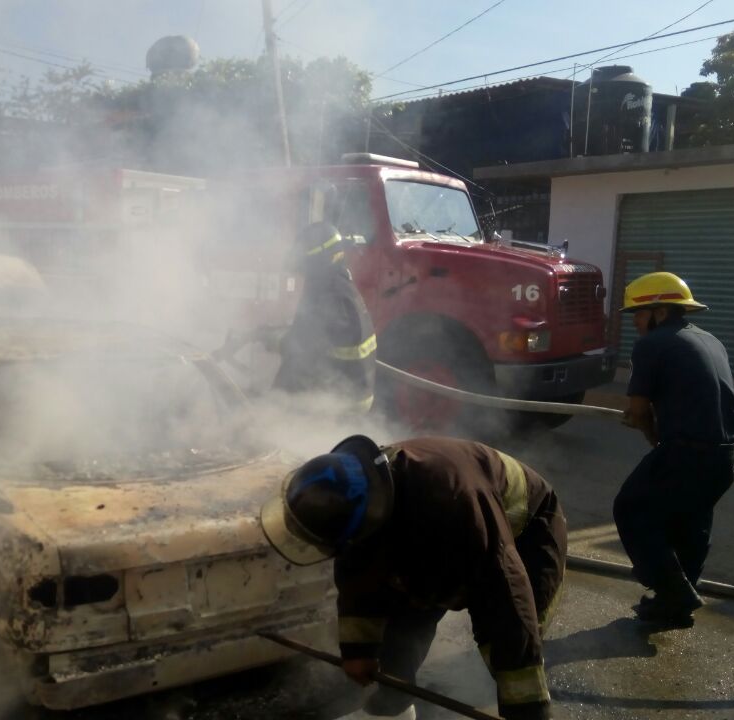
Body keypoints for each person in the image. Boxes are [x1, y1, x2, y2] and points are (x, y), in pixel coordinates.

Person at [260, 434, 566, 720]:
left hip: (527, 528)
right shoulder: (364, 498)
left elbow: (505, 599)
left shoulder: (456, 510)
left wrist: (525, 708)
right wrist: (359, 651)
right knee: (405, 623)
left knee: (515, 640)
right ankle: (393, 705)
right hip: (442, 521)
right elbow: (357, 574)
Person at [615, 271, 734, 627]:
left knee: (630, 509)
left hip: (686, 453)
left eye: (638, 315)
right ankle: (675, 605)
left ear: (660, 311)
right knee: (691, 525)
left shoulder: (651, 345)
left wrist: (650, 431)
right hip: (724, 457)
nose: (635, 323)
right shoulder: (710, 340)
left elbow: (638, 411)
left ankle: (673, 592)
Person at [217, 222, 377, 414]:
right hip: (349, 392)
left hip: (340, 404)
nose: (304, 274)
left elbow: (299, 348)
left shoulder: (329, 297)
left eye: (306, 267)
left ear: (319, 262)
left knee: (287, 378)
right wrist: (264, 333)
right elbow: (309, 332)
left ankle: (269, 430)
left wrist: (265, 338)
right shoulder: (339, 286)